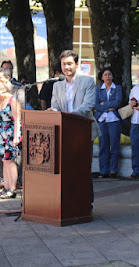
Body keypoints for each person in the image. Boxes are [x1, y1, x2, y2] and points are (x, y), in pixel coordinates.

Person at [49, 50, 100, 206]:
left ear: (77, 64)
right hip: (64, 132)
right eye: (64, 64)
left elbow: (88, 106)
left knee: (83, 168)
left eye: (70, 63)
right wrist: (57, 112)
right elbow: (55, 106)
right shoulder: (57, 85)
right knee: (66, 169)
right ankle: (68, 202)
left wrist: (67, 114)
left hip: (83, 132)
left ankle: (86, 203)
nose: (66, 67)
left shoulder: (88, 81)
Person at [0, 78, 22, 199]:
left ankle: (12, 188)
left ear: (3, 89)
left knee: (10, 161)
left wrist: (16, 136)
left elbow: (18, 119)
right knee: (4, 161)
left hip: (11, 132)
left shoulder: (12, 100)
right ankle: (6, 187)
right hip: (1, 132)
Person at [94, 67, 122, 179]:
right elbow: (95, 104)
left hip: (114, 119)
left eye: (109, 74)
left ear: (112, 76)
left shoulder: (117, 88)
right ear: (102, 77)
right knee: (103, 145)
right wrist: (108, 107)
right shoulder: (98, 89)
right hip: (102, 120)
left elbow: (117, 103)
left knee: (114, 145)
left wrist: (103, 105)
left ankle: (114, 170)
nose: (107, 77)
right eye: (105, 75)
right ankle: (103, 170)